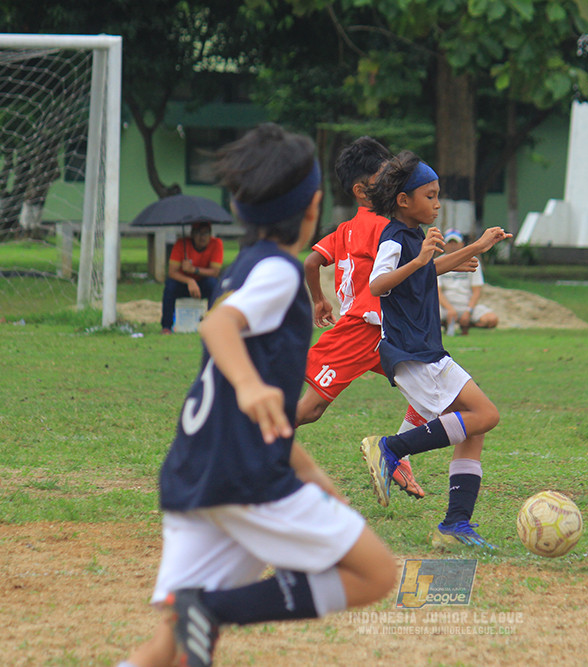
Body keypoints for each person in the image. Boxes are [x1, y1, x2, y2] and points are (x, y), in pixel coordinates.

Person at [119, 124, 397, 667]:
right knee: (377, 573)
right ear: (314, 206)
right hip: (243, 479)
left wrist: (318, 481)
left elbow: (263, 414)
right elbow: (218, 328)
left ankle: (204, 609)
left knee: (170, 647)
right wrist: (249, 386)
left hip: (195, 476)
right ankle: (215, 609)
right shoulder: (276, 273)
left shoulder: (240, 269)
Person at [358, 151, 511, 548]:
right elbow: (378, 285)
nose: (437, 203)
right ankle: (392, 448)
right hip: (412, 353)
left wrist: (475, 247)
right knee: (485, 415)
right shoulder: (394, 237)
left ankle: (455, 525)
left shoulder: (412, 239)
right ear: (404, 201)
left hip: (428, 350)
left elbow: (425, 271)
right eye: (430, 195)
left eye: (438, 195)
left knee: (473, 428)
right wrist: (424, 259)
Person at [298, 136, 426, 498]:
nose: (392, 183)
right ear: (361, 189)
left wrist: (320, 300)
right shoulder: (380, 227)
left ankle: (396, 455)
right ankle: (248, 448)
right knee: (310, 409)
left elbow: (311, 262)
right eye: (384, 177)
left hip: (384, 331)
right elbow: (404, 274)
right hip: (360, 330)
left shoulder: (346, 229)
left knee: (431, 388)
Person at [160, 221, 224, 334]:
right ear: (192, 234)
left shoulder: (217, 244)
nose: (202, 237)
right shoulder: (181, 244)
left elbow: (215, 272)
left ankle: (212, 322)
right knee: (170, 285)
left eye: (206, 233)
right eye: (199, 233)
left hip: (203, 283)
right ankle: (166, 326)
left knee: (213, 284)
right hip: (183, 283)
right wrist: (190, 281)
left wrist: (194, 270)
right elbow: (172, 272)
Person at [437, 229, 499, 335]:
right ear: (444, 245)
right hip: (445, 307)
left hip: (466, 304)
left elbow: (477, 290)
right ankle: (446, 324)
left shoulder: (472, 261)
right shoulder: (438, 262)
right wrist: (449, 309)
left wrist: (468, 310)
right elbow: (437, 290)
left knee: (491, 319)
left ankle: (465, 325)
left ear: (462, 244)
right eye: (449, 243)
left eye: (455, 243)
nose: (452, 246)